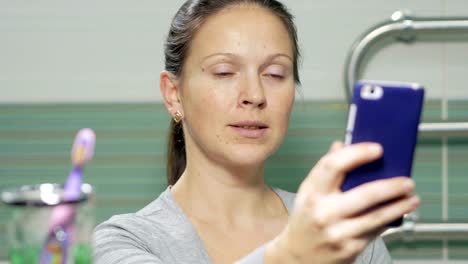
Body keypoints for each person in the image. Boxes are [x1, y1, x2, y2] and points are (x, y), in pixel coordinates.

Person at [93, 0, 420, 263]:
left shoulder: (345, 237)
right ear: (173, 94)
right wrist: (292, 255)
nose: (255, 94)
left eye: (276, 74)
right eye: (224, 72)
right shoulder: (123, 241)